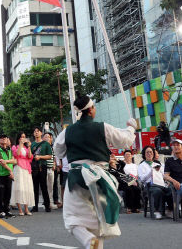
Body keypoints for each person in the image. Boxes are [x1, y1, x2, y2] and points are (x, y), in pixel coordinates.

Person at [53, 95, 136, 249]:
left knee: (72, 218)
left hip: (77, 179)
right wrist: (131, 127)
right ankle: (92, 242)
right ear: (90, 110)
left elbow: (58, 151)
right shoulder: (102, 127)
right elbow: (126, 141)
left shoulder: (67, 131)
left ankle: (88, 241)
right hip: (100, 179)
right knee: (99, 220)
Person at [137, 146, 172, 220]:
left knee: (171, 190)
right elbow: (142, 179)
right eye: (147, 152)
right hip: (149, 185)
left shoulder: (157, 164)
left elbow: (164, 175)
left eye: (151, 152)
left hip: (160, 184)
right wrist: (151, 171)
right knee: (157, 191)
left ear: (153, 154)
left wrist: (168, 180)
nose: (149, 154)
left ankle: (170, 209)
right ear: (144, 154)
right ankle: (157, 211)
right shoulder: (141, 165)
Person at [11, 133, 35, 216]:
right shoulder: (15, 147)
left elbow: (30, 156)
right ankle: (20, 209)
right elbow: (16, 155)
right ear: (18, 138)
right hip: (18, 168)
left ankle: (26, 209)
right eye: (21, 137)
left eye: (24, 137)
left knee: (27, 188)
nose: (23, 138)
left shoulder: (26, 147)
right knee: (19, 188)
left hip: (26, 168)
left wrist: (29, 147)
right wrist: (20, 144)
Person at [30, 127, 52, 213]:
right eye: (34, 131)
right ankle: (35, 206)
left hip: (42, 166)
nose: (36, 133)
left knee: (44, 186)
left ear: (41, 133)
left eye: (38, 131)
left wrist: (40, 157)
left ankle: (47, 206)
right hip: (34, 167)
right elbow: (30, 156)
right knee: (35, 187)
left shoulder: (45, 144)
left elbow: (49, 156)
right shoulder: (32, 145)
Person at [0, 134, 16, 219]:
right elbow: (1, 163)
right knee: (0, 194)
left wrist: (7, 161)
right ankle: (0, 211)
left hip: (8, 175)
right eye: (2, 138)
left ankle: (7, 210)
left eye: (5, 138)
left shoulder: (9, 149)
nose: (4, 139)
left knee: (8, 194)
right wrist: (10, 170)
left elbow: (15, 161)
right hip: (0, 175)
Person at [43, 132, 59, 209]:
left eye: (48, 137)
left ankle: (51, 203)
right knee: (45, 187)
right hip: (44, 168)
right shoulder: (42, 147)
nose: (47, 138)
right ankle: (47, 203)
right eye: (45, 137)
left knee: (51, 187)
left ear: (51, 139)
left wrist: (54, 164)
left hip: (51, 169)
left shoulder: (52, 147)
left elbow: (54, 157)